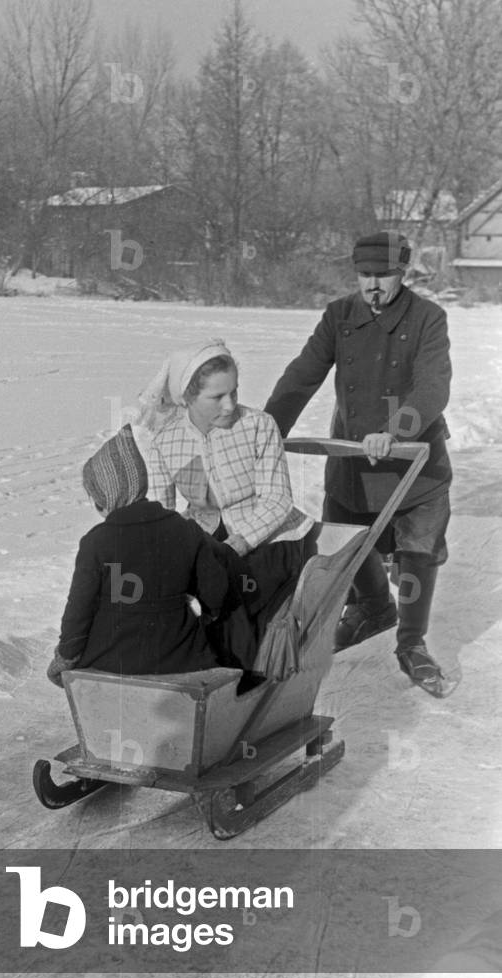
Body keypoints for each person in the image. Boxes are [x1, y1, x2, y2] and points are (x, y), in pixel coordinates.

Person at [265, 230, 455, 697]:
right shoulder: (339, 315)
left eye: (383, 276)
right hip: (354, 458)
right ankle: (373, 607)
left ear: (402, 273)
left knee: (417, 550)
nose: (372, 286)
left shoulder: (429, 318)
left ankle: (411, 643)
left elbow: (433, 386)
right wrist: (267, 429)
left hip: (413, 463)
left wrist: (396, 430)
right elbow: (303, 373)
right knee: (344, 540)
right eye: (365, 276)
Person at [142, 340, 315, 669]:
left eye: (233, 392)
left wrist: (234, 545)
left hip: (271, 537)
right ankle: (182, 677)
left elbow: (277, 500)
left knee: (226, 593)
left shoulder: (258, 425)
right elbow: (160, 512)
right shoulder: (167, 441)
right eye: (217, 396)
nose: (229, 404)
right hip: (207, 536)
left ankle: (241, 680)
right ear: (188, 398)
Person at [47, 423, 229, 686]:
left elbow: (79, 611)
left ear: (106, 498)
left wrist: (65, 659)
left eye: (96, 498)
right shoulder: (184, 529)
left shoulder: (97, 542)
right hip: (182, 658)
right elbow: (216, 592)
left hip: (111, 660)